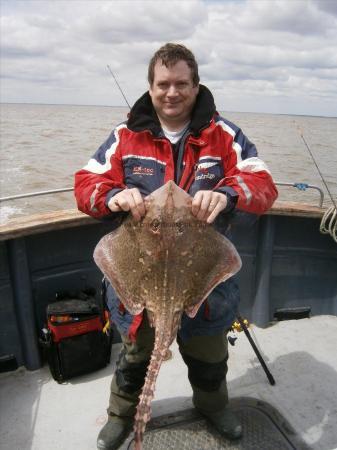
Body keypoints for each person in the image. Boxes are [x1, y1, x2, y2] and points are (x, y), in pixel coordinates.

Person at [74, 43, 278, 450]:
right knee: (134, 357)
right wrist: (112, 196)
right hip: (140, 274)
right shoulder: (124, 136)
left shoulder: (226, 136)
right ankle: (120, 416)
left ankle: (212, 406)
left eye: (181, 83)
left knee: (209, 357)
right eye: (163, 84)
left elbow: (263, 184)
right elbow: (85, 183)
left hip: (204, 281)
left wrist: (228, 194)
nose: (172, 92)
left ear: (195, 85)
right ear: (150, 88)